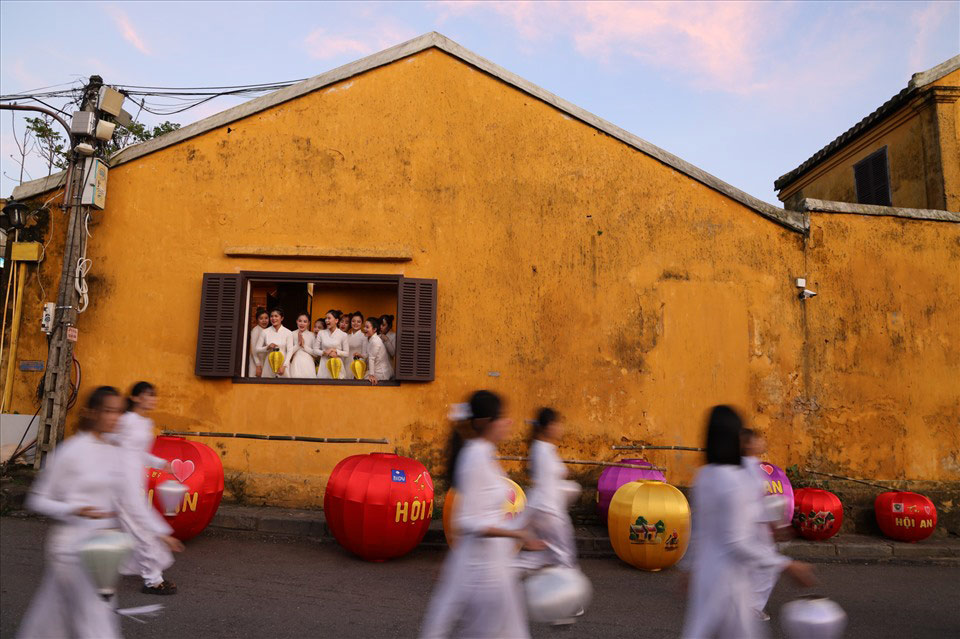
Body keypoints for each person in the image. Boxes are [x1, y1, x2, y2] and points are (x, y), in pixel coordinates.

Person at [18, 387, 183, 639]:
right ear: (91, 413)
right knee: (95, 620)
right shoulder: (71, 451)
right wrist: (75, 509)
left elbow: (131, 499)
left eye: (117, 411)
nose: (115, 417)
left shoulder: (116, 452)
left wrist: (160, 532)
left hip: (102, 550)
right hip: (69, 549)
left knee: (53, 617)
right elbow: (38, 500)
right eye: (108, 411)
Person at [681, 406, 815, 639]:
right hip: (730, 581)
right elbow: (737, 542)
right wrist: (785, 564)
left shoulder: (704, 475)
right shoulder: (735, 479)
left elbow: (699, 531)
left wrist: (688, 568)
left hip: (706, 575)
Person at [420, 390, 543, 639]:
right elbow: (470, 521)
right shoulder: (475, 457)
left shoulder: (484, 454)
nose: (508, 423)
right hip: (483, 571)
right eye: (502, 418)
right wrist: (517, 532)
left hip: (493, 564)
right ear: (487, 423)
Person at [110, 382, 180, 595]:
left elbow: (138, 453)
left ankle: (90, 564)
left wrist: (161, 464)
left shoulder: (145, 423)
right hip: (122, 482)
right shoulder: (126, 421)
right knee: (142, 530)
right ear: (137, 397)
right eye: (149, 395)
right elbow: (109, 442)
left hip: (134, 479)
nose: (154, 399)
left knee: (124, 529)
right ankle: (153, 580)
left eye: (154, 395)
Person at [515, 408, 579, 572]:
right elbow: (544, 485)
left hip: (547, 508)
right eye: (557, 424)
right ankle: (505, 569)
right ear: (549, 426)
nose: (560, 428)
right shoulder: (542, 450)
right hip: (548, 510)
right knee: (564, 557)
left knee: (551, 554)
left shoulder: (544, 448)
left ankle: (508, 569)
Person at [740, 428, 784, 621]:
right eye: (758, 439)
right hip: (753, 523)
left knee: (755, 563)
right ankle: (751, 607)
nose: (762, 442)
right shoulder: (748, 468)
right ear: (748, 444)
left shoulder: (750, 466)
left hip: (755, 522)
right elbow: (757, 499)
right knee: (767, 564)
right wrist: (776, 522)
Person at [256, 308, 292, 378]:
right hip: (269, 364)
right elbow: (257, 349)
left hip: (283, 364)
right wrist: (267, 347)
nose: (273, 318)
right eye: (271, 316)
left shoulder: (288, 332)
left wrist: (284, 366)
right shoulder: (265, 332)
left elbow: (290, 351)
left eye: (276, 316)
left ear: (282, 318)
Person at [314, 310, 349, 379]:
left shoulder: (343, 335)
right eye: (326, 318)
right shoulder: (321, 333)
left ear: (336, 320)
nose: (326, 320)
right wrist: (325, 353)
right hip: (324, 365)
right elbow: (315, 350)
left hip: (337, 365)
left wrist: (335, 351)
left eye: (329, 318)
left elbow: (346, 353)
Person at [285, 313, 319, 379]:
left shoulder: (312, 335)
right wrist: (298, 344)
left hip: (308, 364)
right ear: (296, 321)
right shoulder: (291, 334)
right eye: (300, 321)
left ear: (309, 323)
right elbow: (288, 352)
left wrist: (304, 346)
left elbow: (315, 354)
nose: (302, 323)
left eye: (305, 321)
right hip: (295, 363)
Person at [362, 317, 393, 385]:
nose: (364, 329)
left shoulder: (376, 341)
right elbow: (369, 355)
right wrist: (360, 355)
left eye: (367, 327)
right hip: (375, 370)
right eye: (364, 327)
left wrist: (371, 375)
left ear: (374, 329)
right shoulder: (370, 339)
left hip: (381, 372)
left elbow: (371, 358)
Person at [344, 311, 367, 379]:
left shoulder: (364, 337)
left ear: (362, 323)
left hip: (357, 365)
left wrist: (359, 369)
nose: (355, 323)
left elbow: (364, 355)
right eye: (353, 321)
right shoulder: (347, 336)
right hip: (346, 363)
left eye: (358, 322)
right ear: (350, 323)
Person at [248, 308, 269, 377]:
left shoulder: (266, 331)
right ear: (257, 320)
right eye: (261, 318)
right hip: (256, 362)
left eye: (266, 318)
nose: (264, 321)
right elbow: (253, 350)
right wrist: (258, 365)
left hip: (264, 361)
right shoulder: (255, 331)